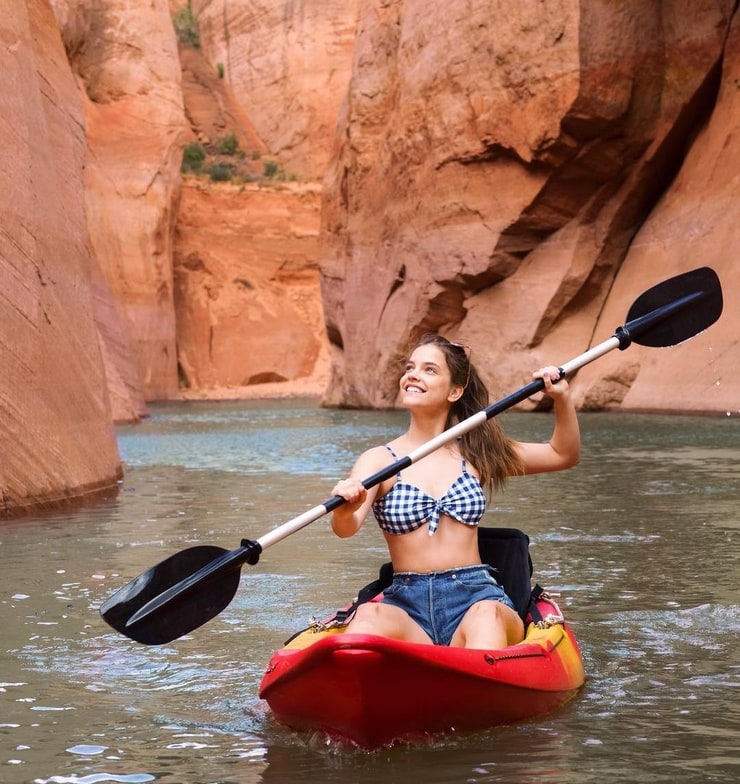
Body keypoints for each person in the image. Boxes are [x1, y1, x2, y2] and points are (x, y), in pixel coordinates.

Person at [330, 333, 580, 650]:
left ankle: (483, 692)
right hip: (407, 603)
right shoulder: (380, 460)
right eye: (410, 368)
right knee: (367, 617)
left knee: (486, 616)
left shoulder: (477, 452)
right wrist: (344, 509)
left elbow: (562, 455)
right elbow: (346, 528)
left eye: (429, 369)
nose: (413, 375)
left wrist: (561, 399)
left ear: (455, 391)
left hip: (477, 597)